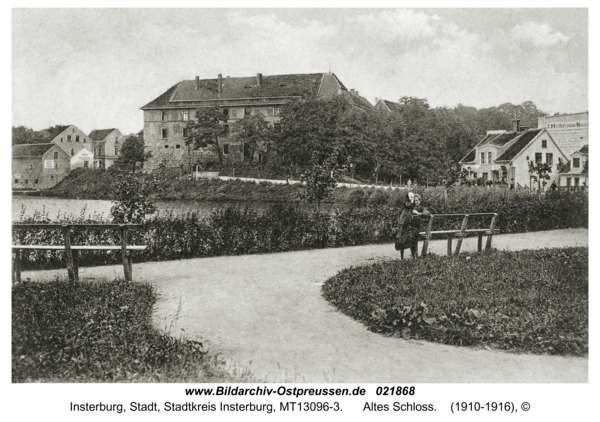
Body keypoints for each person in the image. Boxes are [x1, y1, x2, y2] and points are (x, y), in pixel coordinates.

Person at [395, 193, 430, 259]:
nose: (416, 202)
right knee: (402, 235)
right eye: (415, 200)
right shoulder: (411, 207)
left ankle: (414, 255)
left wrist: (418, 213)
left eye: (417, 200)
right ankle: (403, 256)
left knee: (411, 236)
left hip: (416, 228)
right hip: (409, 228)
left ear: (420, 201)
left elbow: (427, 213)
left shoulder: (421, 208)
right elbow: (404, 208)